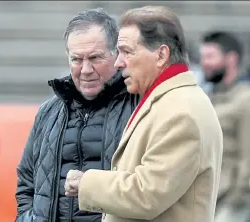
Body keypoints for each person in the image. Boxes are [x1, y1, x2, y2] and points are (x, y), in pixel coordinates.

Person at [65, 6, 223, 222]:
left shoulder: (181, 111)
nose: (119, 62)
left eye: (127, 51)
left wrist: (86, 183)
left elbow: (147, 194)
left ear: (161, 54)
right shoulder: (167, 102)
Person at [15, 8, 139, 222]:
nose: (86, 69)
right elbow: (27, 184)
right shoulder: (48, 113)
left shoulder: (139, 108)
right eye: (76, 59)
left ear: (117, 54)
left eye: (95, 57)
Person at [199, 31, 250, 222]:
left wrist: (239, 197)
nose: (204, 63)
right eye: (203, 57)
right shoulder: (210, 98)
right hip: (207, 199)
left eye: (210, 56)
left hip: (232, 203)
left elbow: (248, 155)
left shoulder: (245, 100)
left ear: (231, 59)